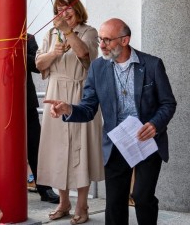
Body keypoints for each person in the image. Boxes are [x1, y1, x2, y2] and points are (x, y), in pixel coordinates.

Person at [45, 18, 177, 225]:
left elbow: (168, 103)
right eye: (100, 40)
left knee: (142, 196)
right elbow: (88, 108)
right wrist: (69, 108)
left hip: (147, 141)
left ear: (125, 40)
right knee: (114, 202)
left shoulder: (152, 65)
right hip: (117, 142)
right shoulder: (98, 68)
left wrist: (154, 124)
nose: (102, 45)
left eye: (107, 40)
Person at [35, 0, 104, 224]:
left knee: (80, 149)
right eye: (59, 9)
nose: (64, 13)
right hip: (55, 92)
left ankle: (83, 205)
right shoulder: (50, 33)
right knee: (57, 150)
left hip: (80, 94)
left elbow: (86, 55)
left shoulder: (89, 31)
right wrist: (54, 53)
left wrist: (67, 32)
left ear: (77, 9)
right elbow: (38, 62)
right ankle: (64, 203)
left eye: (68, 8)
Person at [0, 35, 59, 204]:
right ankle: (6, 188)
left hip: (26, 103)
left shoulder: (28, 40)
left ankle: (45, 189)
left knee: (35, 146)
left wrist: (17, 53)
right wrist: (3, 55)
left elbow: (37, 66)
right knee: (3, 148)